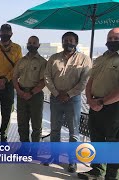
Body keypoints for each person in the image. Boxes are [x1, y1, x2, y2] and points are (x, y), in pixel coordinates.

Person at [44, 31, 92, 172]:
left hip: (74, 100)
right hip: (56, 98)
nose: (68, 43)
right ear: (62, 42)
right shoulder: (54, 58)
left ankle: (72, 161)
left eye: (71, 40)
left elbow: (85, 81)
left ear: (76, 42)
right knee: (54, 129)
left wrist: (69, 94)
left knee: (74, 132)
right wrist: (57, 93)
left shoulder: (84, 59)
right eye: (65, 40)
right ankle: (54, 156)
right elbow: (47, 76)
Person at [78, 28, 119, 180]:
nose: (112, 41)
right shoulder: (101, 58)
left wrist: (102, 102)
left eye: (117, 38)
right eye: (110, 38)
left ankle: (112, 175)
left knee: (114, 142)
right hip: (95, 104)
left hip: (114, 107)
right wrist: (90, 100)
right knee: (96, 138)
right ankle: (97, 171)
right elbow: (90, 81)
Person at [0, 24, 22, 142]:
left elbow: (18, 66)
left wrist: (6, 79)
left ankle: (4, 135)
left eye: (7, 32)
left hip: (9, 84)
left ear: (11, 34)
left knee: (6, 111)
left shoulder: (17, 48)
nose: (5, 34)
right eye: (3, 32)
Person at [12, 36, 47, 142]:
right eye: (30, 43)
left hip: (35, 95)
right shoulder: (21, 61)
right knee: (22, 123)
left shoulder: (42, 62)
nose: (31, 45)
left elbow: (43, 82)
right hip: (21, 94)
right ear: (27, 44)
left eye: (34, 43)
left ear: (38, 45)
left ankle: (35, 149)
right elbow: (14, 77)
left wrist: (31, 93)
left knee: (36, 124)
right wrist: (19, 91)